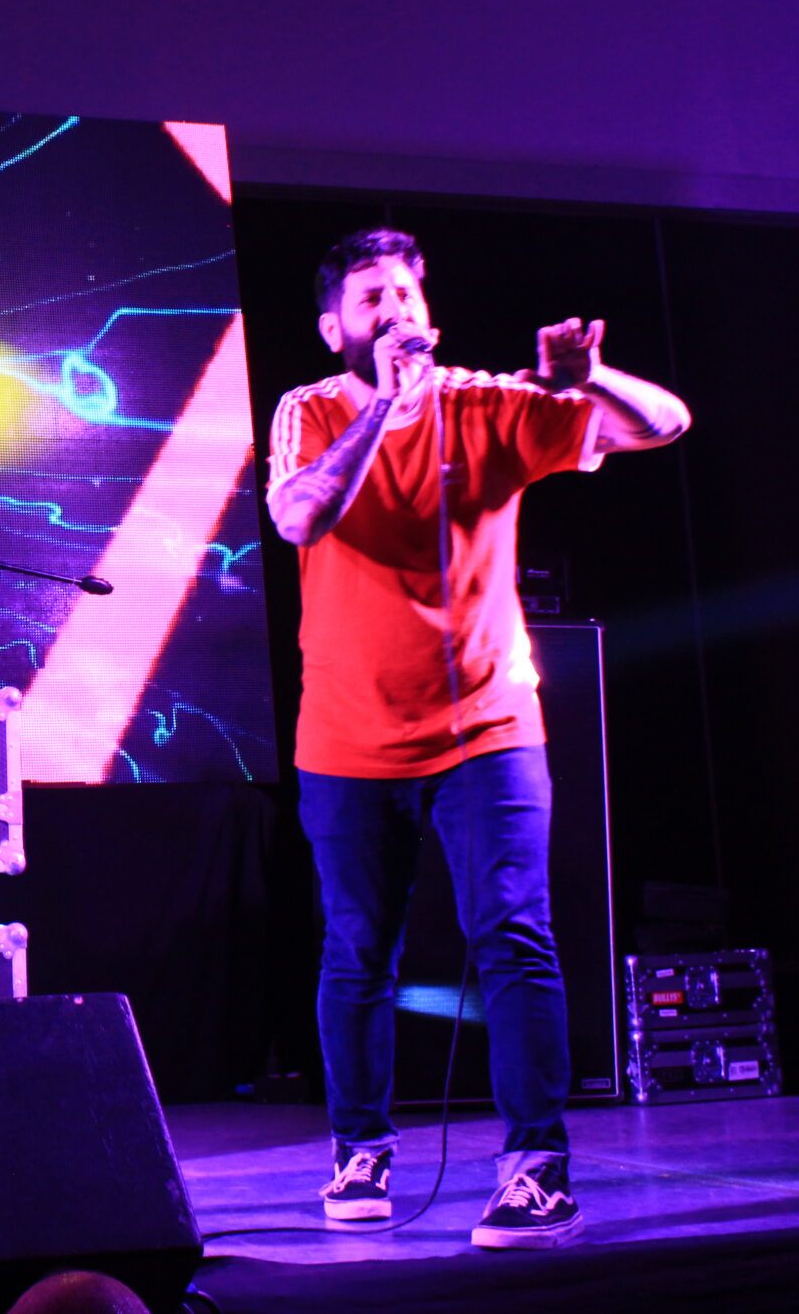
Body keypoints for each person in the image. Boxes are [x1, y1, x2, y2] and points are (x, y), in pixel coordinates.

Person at [266, 229, 689, 1251]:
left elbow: (665, 423)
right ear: (333, 328)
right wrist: (385, 405)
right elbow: (298, 517)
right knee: (357, 949)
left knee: (511, 932)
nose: (394, 309)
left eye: (405, 292)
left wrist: (589, 380)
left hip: (487, 730)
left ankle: (535, 1167)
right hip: (347, 738)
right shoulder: (309, 410)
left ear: (430, 311)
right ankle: (360, 1151)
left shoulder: (488, 403)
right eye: (371, 298)